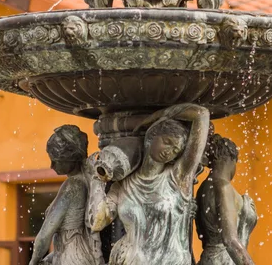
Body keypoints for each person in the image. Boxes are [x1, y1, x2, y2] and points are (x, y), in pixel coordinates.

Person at [89, 103, 210, 265]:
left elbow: (201, 114)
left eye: (176, 150)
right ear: (152, 135)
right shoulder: (122, 185)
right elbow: (97, 222)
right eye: (167, 142)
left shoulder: (179, 177)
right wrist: (97, 179)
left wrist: (159, 115)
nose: (169, 151)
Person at [29, 125, 98, 265]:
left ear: (71, 159)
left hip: (71, 259)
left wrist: (33, 262)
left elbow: (44, 236)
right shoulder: (85, 181)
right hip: (78, 255)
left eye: (56, 160)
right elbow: (70, 240)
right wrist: (50, 258)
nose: (52, 165)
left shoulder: (72, 186)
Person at [196, 134, 256, 265]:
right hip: (224, 260)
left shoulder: (204, 187)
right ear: (232, 158)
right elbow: (230, 240)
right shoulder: (223, 186)